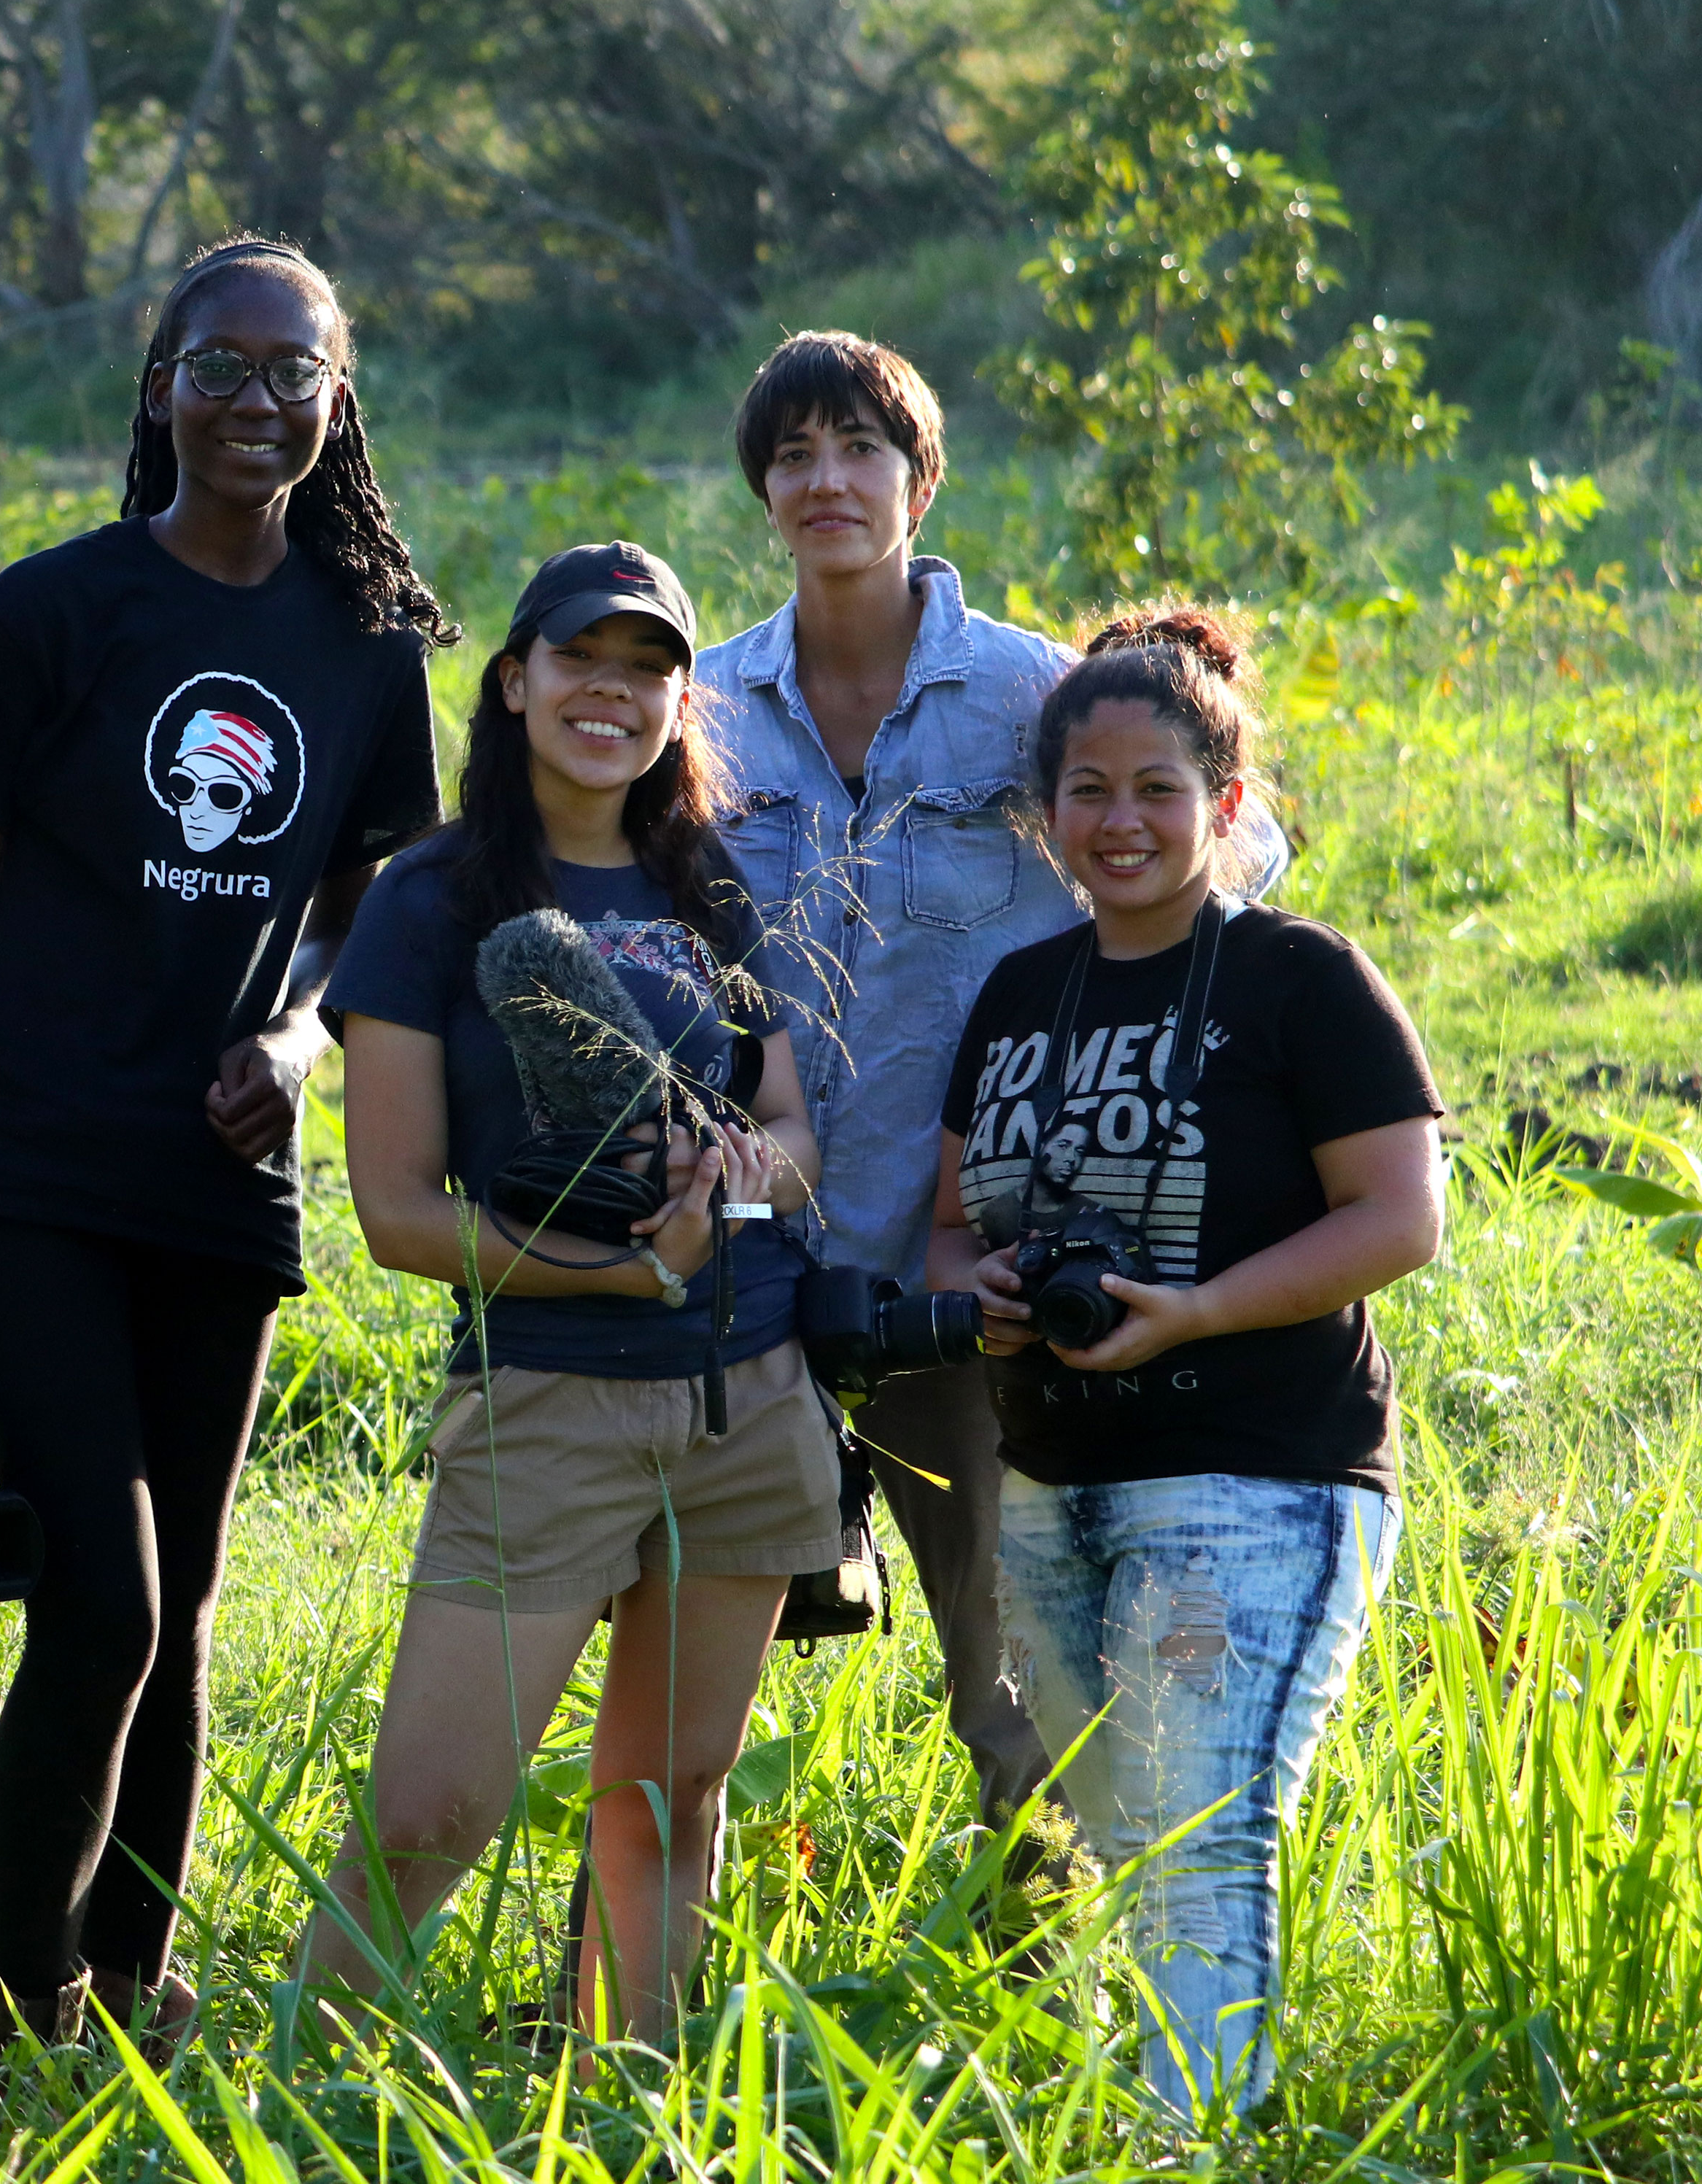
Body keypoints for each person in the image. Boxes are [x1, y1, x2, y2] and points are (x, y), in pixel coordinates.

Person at [0, 235, 454, 2065]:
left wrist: (295, 1033)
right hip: (27, 1166)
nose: (257, 401)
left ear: (335, 399)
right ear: (160, 383)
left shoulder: (362, 648)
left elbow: (379, 907)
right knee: (99, 1590)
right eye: (223, 364)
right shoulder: (51, 611)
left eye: (296, 372)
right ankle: (9, 1995)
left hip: (221, 1176)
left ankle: (127, 1986)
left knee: (183, 1602)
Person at [689, 331, 1287, 1835]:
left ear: (920, 476)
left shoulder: (1029, 695)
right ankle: (627, 1996)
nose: (828, 481)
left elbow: (1234, 856)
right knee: (687, 1661)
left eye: (860, 449)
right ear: (761, 488)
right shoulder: (700, 708)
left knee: (998, 1668)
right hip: (745, 1267)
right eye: (794, 455)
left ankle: (1045, 1965)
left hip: (963, 1263)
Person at [298, 543, 827, 2041]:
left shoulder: (704, 882)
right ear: (515, 680)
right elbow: (399, 1210)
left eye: (649, 667)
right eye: (579, 659)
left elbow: (791, 1135)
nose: (613, 691)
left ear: (680, 702)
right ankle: (286, 2086)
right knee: (435, 1810)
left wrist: (725, 1179)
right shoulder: (434, 897)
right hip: (545, 1396)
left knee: (667, 1800)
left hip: (749, 1391)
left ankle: (628, 2087)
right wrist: (614, 1265)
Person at [927, 611, 1440, 2119]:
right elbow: (948, 1229)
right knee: (1133, 1839)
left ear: (1223, 804)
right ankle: (1144, 2116)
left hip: (1256, 1479)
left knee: (1206, 1832)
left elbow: (1401, 1216)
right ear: (1046, 815)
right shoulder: (1021, 993)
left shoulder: (1300, 977)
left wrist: (1194, 1307)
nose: (1120, 820)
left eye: (1158, 788)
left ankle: (1187, 2142)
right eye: (1087, 789)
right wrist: (991, 1296)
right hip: (1052, 1484)